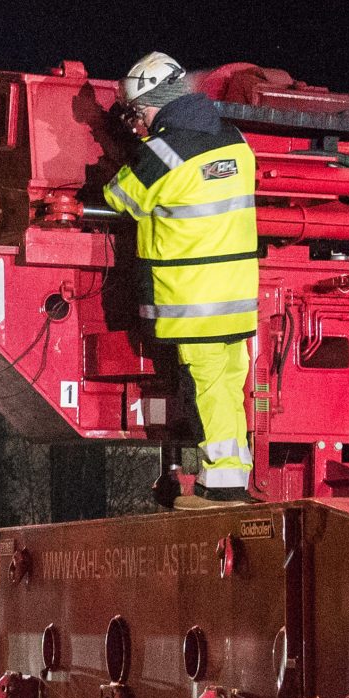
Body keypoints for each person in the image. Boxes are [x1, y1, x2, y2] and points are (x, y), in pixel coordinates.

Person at [102, 53, 260, 507]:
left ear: (150, 105)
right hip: (233, 293)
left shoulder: (162, 152)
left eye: (135, 114)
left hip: (192, 300)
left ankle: (224, 487)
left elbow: (120, 197)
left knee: (205, 391)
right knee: (229, 385)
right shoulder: (234, 139)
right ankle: (231, 477)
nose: (137, 124)